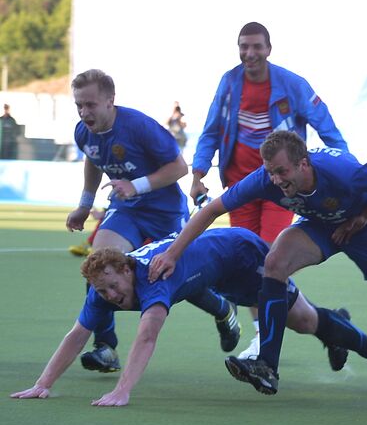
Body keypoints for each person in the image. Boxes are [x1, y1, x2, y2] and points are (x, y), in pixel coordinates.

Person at [149, 130, 367, 396]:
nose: (276, 180)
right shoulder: (265, 179)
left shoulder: (342, 172)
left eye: (282, 172)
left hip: (366, 233)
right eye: (271, 172)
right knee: (274, 263)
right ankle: (267, 365)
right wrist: (173, 253)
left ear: (303, 164)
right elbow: (211, 210)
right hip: (321, 227)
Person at [10, 229, 367, 406]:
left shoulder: (152, 280)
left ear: (127, 269)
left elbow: (147, 336)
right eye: (103, 292)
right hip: (218, 273)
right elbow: (77, 334)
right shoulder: (105, 290)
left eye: (113, 285)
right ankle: (340, 331)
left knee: (304, 320)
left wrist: (122, 390)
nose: (111, 297)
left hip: (242, 254)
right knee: (304, 319)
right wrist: (43, 383)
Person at [193, 22, 348, 361]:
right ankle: (331, 328)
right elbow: (210, 130)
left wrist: (342, 168)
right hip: (239, 188)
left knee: (267, 261)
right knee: (246, 265)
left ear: (268, 49)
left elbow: (329, 131)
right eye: (243, 46)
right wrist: (199, 171)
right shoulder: (229, 82)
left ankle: (266, 341)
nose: (249, 53)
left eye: (256, 46)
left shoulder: (293, 85)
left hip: (281, 188)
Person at [65, 69, 238, 369]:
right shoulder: (83, 132)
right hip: (127, 211)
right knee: (100, 265)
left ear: (110, 101)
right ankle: (106, 347)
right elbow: (93, 160)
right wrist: (85, 203)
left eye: (90, 104)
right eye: (79, 104)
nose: (84, 111)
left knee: (174, 277)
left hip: (165, 212)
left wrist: (136, 185)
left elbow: (179, 168)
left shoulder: (139, 126)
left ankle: (223, 309)